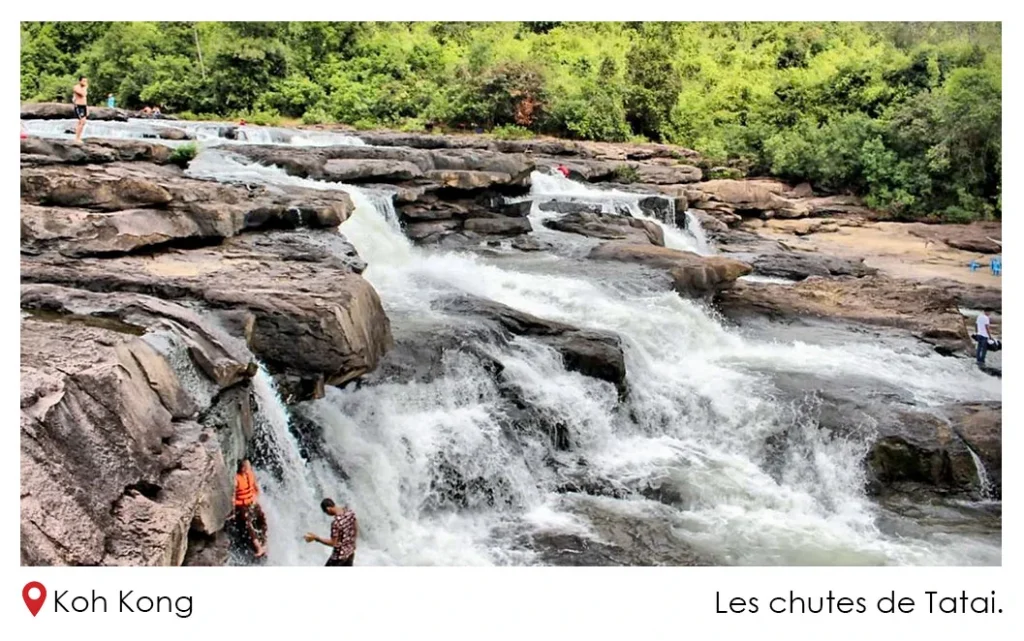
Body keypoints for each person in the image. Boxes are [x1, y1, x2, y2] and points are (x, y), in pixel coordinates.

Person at [304, 498, 357, 566]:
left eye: (326, 512)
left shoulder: (336, 523)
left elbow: (333, 543)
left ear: (328, 509)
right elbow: (355, 527)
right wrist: (354, 542)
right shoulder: (349, 512)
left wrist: (317, 538)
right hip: (350, 553)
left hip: (339, 557)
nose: (327, 514)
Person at [233, 458, 267, 558]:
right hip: (241, 504)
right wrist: (234, 509)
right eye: (247, 467)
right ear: (243, 468)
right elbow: (233, 496)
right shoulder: (237, 479)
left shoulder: (250, 475)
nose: (249, 469)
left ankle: (264, 543)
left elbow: (256, 488)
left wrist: (255, 498)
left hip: (251, 502)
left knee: (262, 518)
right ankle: (258, 547)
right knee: (248, 524)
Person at [72, 76, 89, 144]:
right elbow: (83, 94)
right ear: (80, 81)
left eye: (86, 81)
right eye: (84, 81)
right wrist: (85, 87)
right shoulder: (76, 87)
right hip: (78, 106)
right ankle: (77, 138)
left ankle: (78, 137)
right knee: (82, 121)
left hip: (84, 106)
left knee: (82, 122)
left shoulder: (84, 88)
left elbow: (85, 98)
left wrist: (87, 108)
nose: (85, 83)